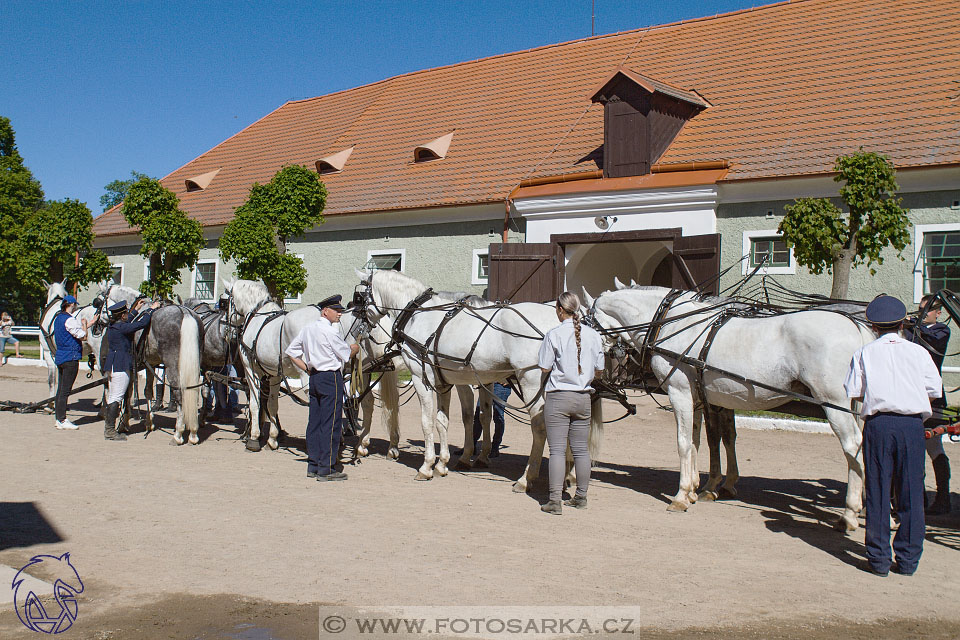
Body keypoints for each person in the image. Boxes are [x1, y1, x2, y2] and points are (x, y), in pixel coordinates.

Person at [844, 294, 942, 576]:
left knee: (878, 491)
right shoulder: (919, 352)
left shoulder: (864, 353)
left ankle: (878, 560)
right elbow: (935, 390)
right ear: (902, 324)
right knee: (911, 491)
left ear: (873, 327)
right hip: (911, 425)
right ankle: (909, 560)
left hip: (879, 425)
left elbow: (855, 391)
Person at [537, 291, 605, 515]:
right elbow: (600, 369)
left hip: (558, 396)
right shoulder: (594, 335)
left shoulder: (553, 334)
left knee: (556, 450)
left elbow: (545, 367)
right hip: (583, 398)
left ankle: (555, 501)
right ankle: (581, 497)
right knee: (581, 451)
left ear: (559, 309)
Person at [285, 295, 359, 481]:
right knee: (331, 423)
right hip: (330, 378)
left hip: (315, 377)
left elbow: (292, 352)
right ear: (325, 311)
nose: (340, 313)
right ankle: (326, 468)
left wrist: (307, 369)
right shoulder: (330, 332)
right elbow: (345, 354)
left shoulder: (308, 329)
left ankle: (313, 464)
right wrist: (355, 348)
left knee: (315, 422)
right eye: (337, 310)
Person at [903, 294, 952, 515]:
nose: (922, 315)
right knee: (914, 450)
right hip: (914, 394)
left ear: (938, 313)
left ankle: (943, 497)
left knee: (933, 448)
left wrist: (906, 324)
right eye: (920, 310)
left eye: (926, 311)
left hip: (933, 396)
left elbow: (927, 339)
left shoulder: (942, 330)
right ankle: (919, 498)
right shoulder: (913, 329)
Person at [102, 298, 160, 441]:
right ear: (122, 316)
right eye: (126, 313)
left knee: (113, 396)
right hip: (121, 365)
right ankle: (110, 431)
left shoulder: (114, 326)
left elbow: (128, 323)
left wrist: (136, 309)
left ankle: (109, 428)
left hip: (113, 364)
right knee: (116, 397)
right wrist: (151, 310)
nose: (127, 314)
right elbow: (141, 324)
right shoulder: (121, 327)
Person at [53, 295, 97, 430]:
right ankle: (62, 419)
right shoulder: (70, 319)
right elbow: (83, 336)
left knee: (60, 389)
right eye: (75, 305)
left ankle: (58, 418)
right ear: (71, 305)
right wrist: (84, 325)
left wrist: (91, 323)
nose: (76, 307)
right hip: (70, 358)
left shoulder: (59, 318)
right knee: (65, 391)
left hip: (61, 356)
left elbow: (74, 330)